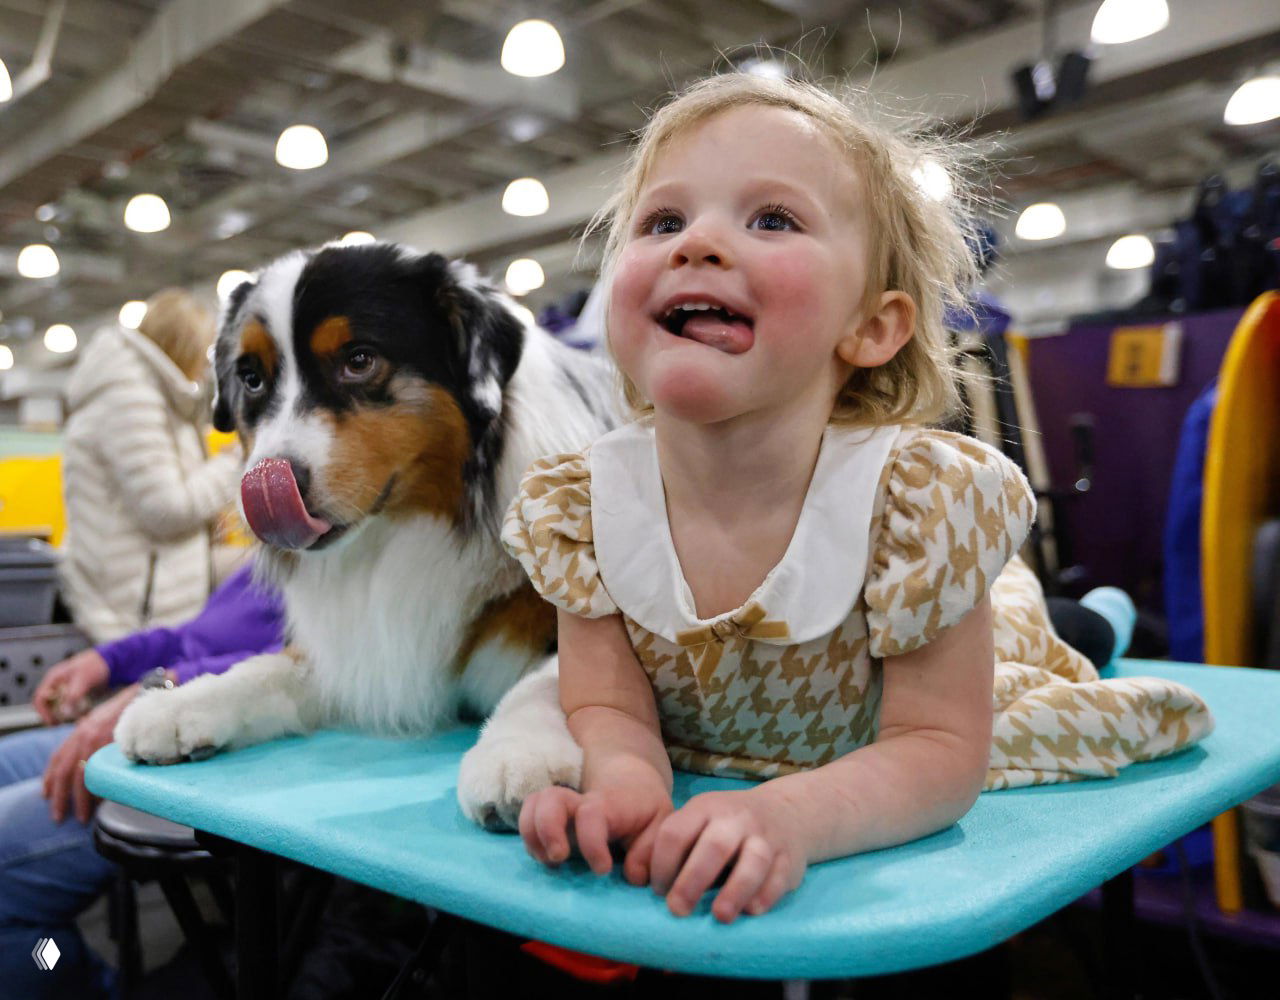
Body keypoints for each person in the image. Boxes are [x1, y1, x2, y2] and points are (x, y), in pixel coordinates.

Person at [502, 73, 1215, 925]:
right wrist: (624, 784)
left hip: (974, 649)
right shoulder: (582, 508)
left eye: (772, 219)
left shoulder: (920, 505)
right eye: (663, 222)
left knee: (1063, 635)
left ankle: (1099, 615)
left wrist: (787, 817)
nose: (696, 244)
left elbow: (939, 751)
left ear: (873, 327)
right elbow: (607, 704)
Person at [0, 564, 284, 1000]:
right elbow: (190, 638)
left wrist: (152, 693)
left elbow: (305, 667)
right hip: (155, 714)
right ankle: (60, 966)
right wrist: (106, 660)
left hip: (203, 753)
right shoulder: (276, 550)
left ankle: (81, 984)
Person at [60, 288, 242, 644]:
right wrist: (234, 463)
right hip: (134, 610)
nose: (206, 367)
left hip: (150, 590)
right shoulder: (129, 398)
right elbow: (165, 509)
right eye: (202, 351)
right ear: (183, 346)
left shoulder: (154, 395)